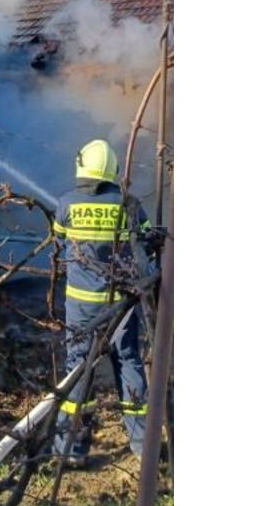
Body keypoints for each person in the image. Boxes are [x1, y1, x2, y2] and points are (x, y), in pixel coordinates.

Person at [51, 138, 165, 467]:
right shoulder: (127, 204)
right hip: (121, 305)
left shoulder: (66, 204)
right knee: (128, 363)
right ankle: (144, 446)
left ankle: (71, 450)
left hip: (81, 307)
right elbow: (145, 241)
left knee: (77, 369)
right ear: (113, 168)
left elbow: (58, 238)